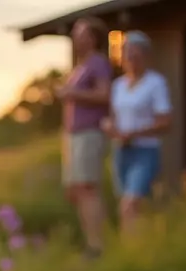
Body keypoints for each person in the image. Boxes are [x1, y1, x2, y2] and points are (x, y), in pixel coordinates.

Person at [101, 31, 172, 233]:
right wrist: (110, 127)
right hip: (121, 151)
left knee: (131, 203)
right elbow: (114, 118)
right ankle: (135, 251)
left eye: (136, 54)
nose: (131, 59)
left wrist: (134, 133)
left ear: (145, 56)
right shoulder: (118, 86)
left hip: (145, 151)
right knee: (128, 204)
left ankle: (133, 250)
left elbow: (165, 121)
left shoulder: (155, 83)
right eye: (128, 54)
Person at [57, 17, 113, 257]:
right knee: (76, 190)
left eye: (80, 33)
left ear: (92, 39)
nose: (75, 38)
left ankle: (97, 245)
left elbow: (104, 95)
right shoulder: (79, 67)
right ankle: (91, 241)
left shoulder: (98, 63)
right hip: (73, 135)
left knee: (87, 187)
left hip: (89, 133)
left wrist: (72, 92)